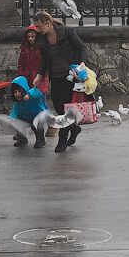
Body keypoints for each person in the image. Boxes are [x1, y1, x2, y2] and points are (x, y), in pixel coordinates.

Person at [32, 11, 87, 152]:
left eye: (38, 27)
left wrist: (82, 63)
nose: (36, 30)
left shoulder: (67, 32)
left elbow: (81, 47)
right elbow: (44, 60)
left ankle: (62, 139)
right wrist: (39, 74)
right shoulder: (43, 40)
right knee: (58, 106)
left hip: (70, 76)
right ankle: (74, 129)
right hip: (55, 77)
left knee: (66, 109)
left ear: (48, 24)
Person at [8, 76, 48, 149]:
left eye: (19, 91)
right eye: (15, 92)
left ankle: (40, 140)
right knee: (16, 121)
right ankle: (22, 139)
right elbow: (15, 111)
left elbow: (38, 93)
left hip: (38, 115)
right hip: (27, 117)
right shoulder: (17, 103)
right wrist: (11, 118)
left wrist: (29, 95)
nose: (17, 94)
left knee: (35, 125)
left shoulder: (32, 96)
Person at [17, 25, 48, 95]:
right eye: (28, 37)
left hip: (39, 76)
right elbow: (20, 62)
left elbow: (45, 62)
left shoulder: (41, 48)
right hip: (26, 76)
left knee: (39, 97)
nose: (30, 39)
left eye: (32, 37)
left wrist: (42, 75)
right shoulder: (24, 48)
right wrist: (21, 74)